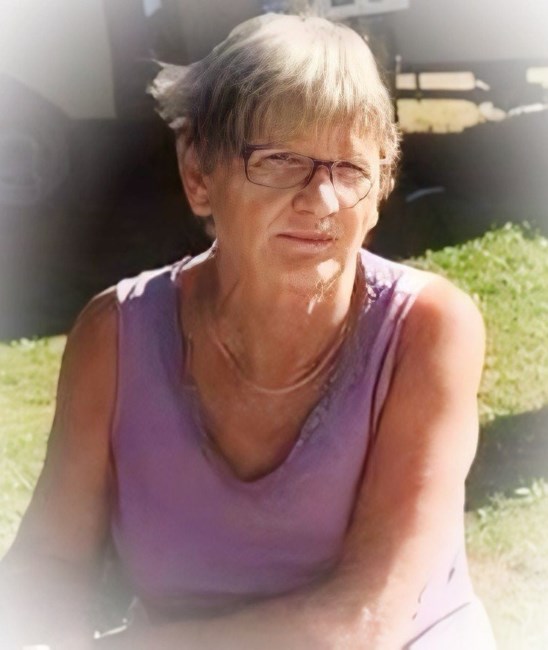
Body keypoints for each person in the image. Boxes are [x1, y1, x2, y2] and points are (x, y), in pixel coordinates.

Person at [0, 12, 496, 650]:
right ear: (199, 175)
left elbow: (364, 622)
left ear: (379, 192)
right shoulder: (115, 339)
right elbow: (47, 567)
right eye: (281, 160)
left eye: (350, 169)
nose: (322, 201)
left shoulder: (426, 330)